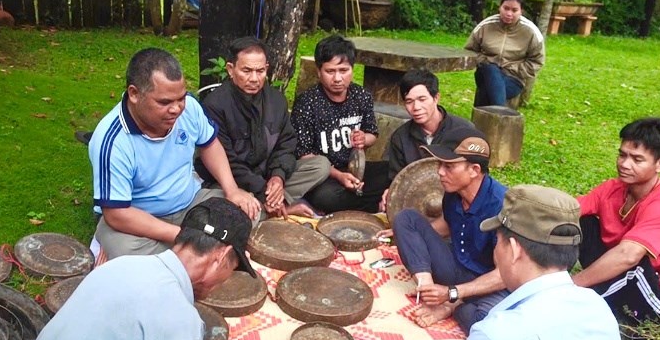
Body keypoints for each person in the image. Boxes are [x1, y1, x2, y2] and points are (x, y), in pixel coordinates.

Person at [359, 185, 623, 340]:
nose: (495, 250)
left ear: (515, 250)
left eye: (497, 241)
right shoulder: (597, 306)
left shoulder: (500, 335)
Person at [18, 197, 259, 340]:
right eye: (232, 268)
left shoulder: (120, 266)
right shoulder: (178, 318)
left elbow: (122, 339)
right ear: (220, 256)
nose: (226, 280)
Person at [88, 47, 261, 261]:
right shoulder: (112, 140)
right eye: (164, 102)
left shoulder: (189, 109)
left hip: (190, 203)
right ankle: (201, 255)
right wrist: (184, 236)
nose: (177, 109)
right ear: (134, 94)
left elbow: (210, 144)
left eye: (181, 98)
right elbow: (117, 214)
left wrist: (232, 189)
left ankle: (183, 258)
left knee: (247, 210)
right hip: (139, 219)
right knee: (125, 249)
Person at [573, 117, 660, 340]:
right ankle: (589, 301)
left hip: (658, 296)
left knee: (632, 261)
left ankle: (580, 306)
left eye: (637, 159)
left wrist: (573, 285)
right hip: (623, 276)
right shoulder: (613, 188)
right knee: (581, 223)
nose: (624, 164)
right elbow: (571, 208)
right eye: (622, 155)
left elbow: (628, 256)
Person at [377, 127, 509, 335]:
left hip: (486, 282)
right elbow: (450, 223)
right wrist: (412, 237)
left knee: (480, 323)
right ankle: (428, 292)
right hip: (454, 269)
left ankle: (451, 305)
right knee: (406, 219)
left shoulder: (502, 206)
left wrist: (451, 296)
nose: (440, 171)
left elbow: (504, 275)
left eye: (449, 166)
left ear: (474, 170)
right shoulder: (453, 192)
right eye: (440, 164)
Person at [194, 36, 329, 219]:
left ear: (266, 69)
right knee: (236, 206)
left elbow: (286, 144)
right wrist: (263, 189)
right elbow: (228, 162)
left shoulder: (276, 100)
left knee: (320, 166)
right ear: (230, 70)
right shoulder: (215, 106)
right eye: (247, 71)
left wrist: (278, 177)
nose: (254, 79)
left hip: (267, 174)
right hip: (232, 181)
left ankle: (271, 204)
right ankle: (279, 208)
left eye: (260, 71)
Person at [291, 34, 390, 214]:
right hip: (325, 175)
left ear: (352, 69)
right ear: (319, 72)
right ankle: (370, 203)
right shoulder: (307, 103)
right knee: (326, 198)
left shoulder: (361, 96)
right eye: (330, 71)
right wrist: (338, 175)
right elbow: (303, 154)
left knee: (391, 172)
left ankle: (364, 200)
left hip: (356, 169)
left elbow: (372, 134)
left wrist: (363, 139)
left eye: (343, 71)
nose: (337, 78)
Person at [380, 69, 475, 211]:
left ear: (436, 98)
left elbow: (478, 176)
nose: (416, 107)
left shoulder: (464, 130)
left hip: (460, 203)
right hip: (419, 204)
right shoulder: (400, 137)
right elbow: (397, 179)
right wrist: (390, 192)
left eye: (422, 99)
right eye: (409, 102)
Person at [464, 0, 545, 107]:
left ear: (521, 11)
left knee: (488, 91)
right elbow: (469, 51)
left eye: (514, 10)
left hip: (513, 79)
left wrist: (515, 69)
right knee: (491, 69)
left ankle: (484, 120)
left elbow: (537, 61)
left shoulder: (531, 32)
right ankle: (500, 114)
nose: (509, 13)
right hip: (485, 73)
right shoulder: (486, 26)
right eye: (506, 8)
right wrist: (484, 61)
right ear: (499, 7)